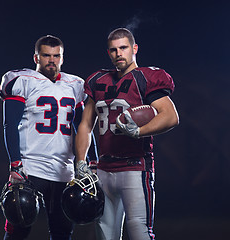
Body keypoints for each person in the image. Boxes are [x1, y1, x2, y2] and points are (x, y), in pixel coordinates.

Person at [75, 28, 179, 240]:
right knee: (104, 234)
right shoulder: (98, 80)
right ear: (108, 53)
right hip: (103, 169)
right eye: (113, 50)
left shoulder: (146, 77)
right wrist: (81, 161)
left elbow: (170, 116)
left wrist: (139, 131)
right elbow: (85, 125)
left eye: (123, 48)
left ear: (134, 48)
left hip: (135, 167)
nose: (118, 53)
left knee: (139, 231)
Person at [0, 35, 98, 240]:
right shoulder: (23, 81)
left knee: (62, 232)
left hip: (64, 170)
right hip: (30, 168)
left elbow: (84, 127)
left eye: (56, 56)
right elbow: (10, 125)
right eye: (46, 55)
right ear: (36, 57)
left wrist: (92, 161)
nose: (52, 60)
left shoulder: (75, 84)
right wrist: (15, 164)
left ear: (62, 58)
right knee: (18, 229)